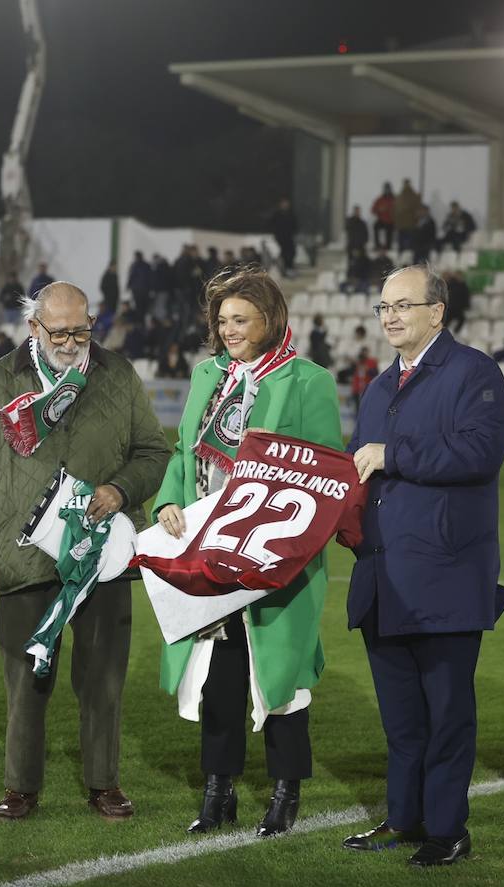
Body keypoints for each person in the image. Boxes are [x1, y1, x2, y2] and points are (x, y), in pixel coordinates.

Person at [0, 281, 168, 822]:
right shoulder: (2, 378)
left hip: (104, 556)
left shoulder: (116, 374)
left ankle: (104, 784)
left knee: (103, 677)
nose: (71, 342)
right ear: (33, 328)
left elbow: (153, 452)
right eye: (59, 332)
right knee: (26, 678)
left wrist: (120, 489)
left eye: (81, 329)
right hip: (24, 556)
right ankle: (21, 786)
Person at [151, 265, 341, 838]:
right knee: (218, 678)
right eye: (222, 319)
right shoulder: (208, 373)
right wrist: (167, 503)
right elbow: (185, 452)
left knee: (279, 676)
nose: (228, 329)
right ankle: (219, 792)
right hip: (206, 547)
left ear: (269, 319)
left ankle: (285, 794)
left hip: (272, 554)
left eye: (240, 319)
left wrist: (282, 543)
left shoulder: (307, 381)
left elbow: (325, 475)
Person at [342, 264, 504, 867]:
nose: (389, 316)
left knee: (446, 717)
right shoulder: (381, 385)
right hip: (383, 577)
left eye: (402, 305)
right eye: (383, 306)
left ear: (436, 312)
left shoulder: (474, 371)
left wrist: (395, 454)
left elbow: (480, 451)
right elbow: (358, 469)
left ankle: (448, 830)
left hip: (443, 576)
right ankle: (403, 819)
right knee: (403, 720)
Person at [393, 179, 421, 253]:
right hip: (402, 223)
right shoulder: (400, 196)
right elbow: (396, 209)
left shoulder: (413, 196)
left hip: (410, 222)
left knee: (410, 243)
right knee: (402, 242)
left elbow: (417, 208)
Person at [271, 198, 298, 275]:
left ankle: (289, 267)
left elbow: (294, 225)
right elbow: (272, 224)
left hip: (289, 237)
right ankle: (285, 269)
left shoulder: (291, 214)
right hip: (280, 237)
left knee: (291, 252)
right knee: (284, 253)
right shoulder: (277, 214)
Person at [371, 182, 396, 251]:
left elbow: (398, 210)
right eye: (386, 189)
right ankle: (377, 245)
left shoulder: (394, 199)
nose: (387, 191)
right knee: (375, 226)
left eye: (388, 189)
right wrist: (379, 209)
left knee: (390, 230)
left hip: (391, 221)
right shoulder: (380, 199)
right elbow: (373, 210)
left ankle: (388, 246)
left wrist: (392, 211)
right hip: (382, 220)